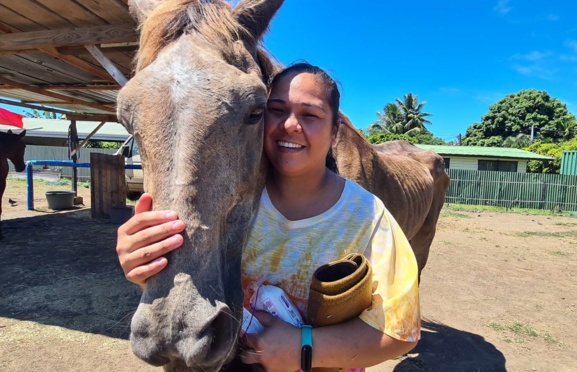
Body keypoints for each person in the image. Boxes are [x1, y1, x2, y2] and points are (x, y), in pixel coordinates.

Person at [116, 62, 420, 372]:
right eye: (277, 110)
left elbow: (400, 333)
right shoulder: (230, 200)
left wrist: (304, 348)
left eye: (310, 115)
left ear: (334, 132)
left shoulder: (367, 217)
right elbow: (188, 280)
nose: (290, 125)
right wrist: (146, 264)